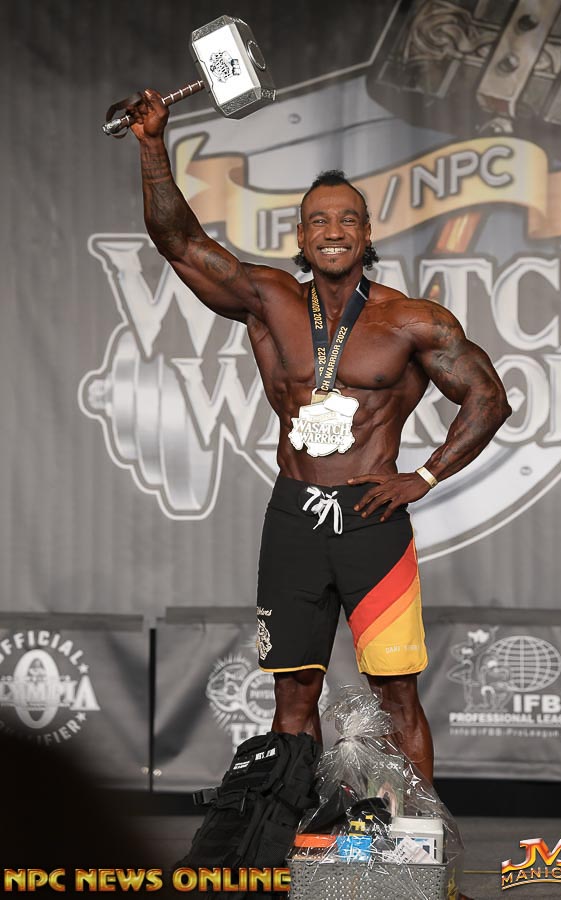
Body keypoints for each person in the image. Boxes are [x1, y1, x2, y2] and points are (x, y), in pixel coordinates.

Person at [128, 90, 511, 784]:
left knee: (396, 695)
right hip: (295, 518)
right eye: (318, 221)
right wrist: (153, 145)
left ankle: (416, 838)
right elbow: (179, 243)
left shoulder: (411, 320)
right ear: (301, 237)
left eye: (347, 220)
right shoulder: (267, 300)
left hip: (373, 522)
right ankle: (289, 831)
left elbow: (489, 397)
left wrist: (424, 477)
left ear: (366, 236)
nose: (333, 231)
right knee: (293, 696)